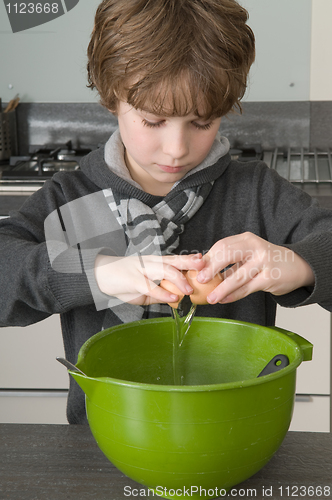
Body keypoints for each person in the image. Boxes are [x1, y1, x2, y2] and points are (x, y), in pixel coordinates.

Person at [0, 0, 332, 425]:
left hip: (236, 436)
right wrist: (99, 273)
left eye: (202, 122)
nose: (177, 149)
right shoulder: (69, 199)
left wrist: (297, 264)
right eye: (153, 121)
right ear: (110, 98)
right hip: (104, 444)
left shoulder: (256, 193)